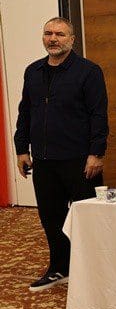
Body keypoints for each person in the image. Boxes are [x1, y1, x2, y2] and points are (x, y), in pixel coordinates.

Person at [14, 17, 108, 292]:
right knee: (51, 217)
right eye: (48, 33)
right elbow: (25, 112)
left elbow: (98, 115)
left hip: (80, 160)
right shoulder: (33, 71)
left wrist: (96, 153)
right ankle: (59, 268)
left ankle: (95, 272)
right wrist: (21, 149)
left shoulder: (89, 71)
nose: (53, 39)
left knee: (87, 218)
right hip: (44, 160)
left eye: (59, 34)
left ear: (72, 39)